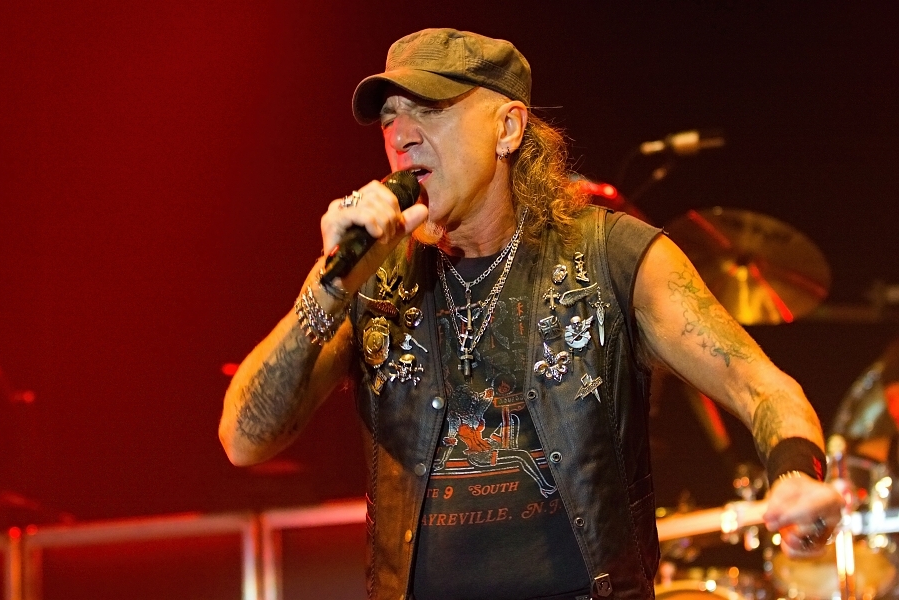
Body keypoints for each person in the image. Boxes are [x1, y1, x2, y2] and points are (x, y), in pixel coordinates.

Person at [219, 28, 844, 600]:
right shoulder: (368, 277)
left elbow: (761, 386)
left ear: (508, 128)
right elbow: (244, 441)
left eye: (429, 109)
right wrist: (330, 286)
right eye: (390, 118)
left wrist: (795, 473)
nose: (401, 134)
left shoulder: (614, 256)